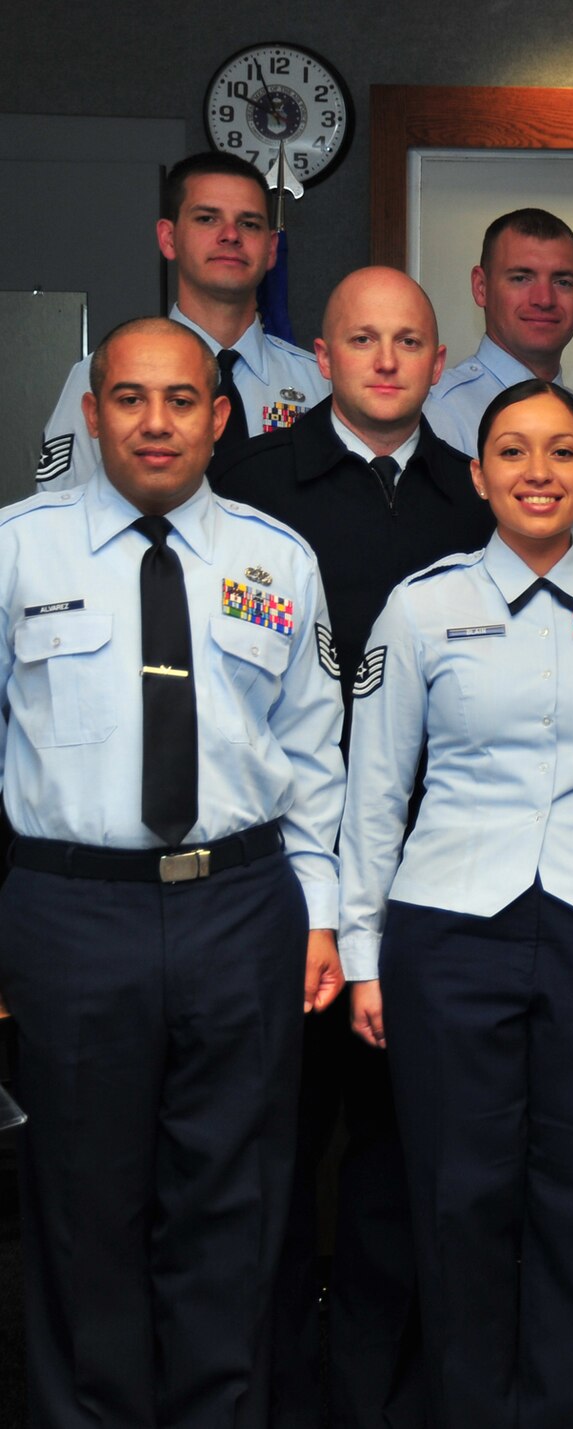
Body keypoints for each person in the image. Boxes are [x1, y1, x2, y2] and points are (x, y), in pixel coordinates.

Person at [338, 380, 573, 1428]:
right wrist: (362, 956)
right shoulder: (423, 606)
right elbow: (373, 794)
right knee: (459, 1193)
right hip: (448, 930)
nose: (538, 472)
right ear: (478, 474)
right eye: (513, 452)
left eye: (561, 453)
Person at [0, 316, 346, 1427]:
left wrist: (322, 917)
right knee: (78, 1207)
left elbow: (313, 755)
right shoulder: (16, 551)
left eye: (182, 400)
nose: (157, 422)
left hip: (241, 910)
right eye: (132, 398)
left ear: (220, 416)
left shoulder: (275, 558)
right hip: (69, 911)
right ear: (93, 411)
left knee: (232, 1207)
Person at [211, 265, 494, 1429]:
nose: (386, 360)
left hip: (429, 886)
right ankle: (274, 1396)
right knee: (268, 1156)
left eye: (409, 341)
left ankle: (380, 1398)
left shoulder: (476, 500)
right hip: (270, 879)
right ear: (317, 358)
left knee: (396, 1156)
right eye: (362, 340)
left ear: (439, 359)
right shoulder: (245, 488)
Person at [38, 152, 326, 491]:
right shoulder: (103, 376)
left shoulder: (318, 385)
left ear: (272, 248)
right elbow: (61, 515)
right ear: (168, 238)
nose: (230, 235)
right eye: (207, 219)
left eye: (249, 223)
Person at [423, 208, 573, 498]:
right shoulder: (438, 415)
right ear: (481, 287)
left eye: (562, 282)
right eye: (521, 278)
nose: (544, 300)